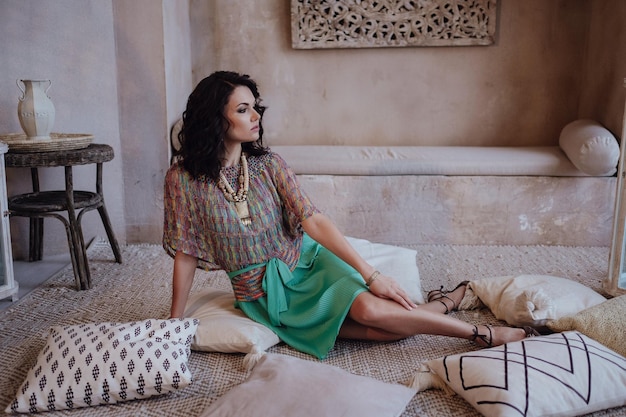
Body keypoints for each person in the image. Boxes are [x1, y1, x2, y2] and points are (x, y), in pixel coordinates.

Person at [163, 70, 537, 360]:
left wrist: (370, 274)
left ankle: (482, 335)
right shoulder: (184, 179)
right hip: (264, 295)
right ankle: (446, 302)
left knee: (373, 310)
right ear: (215, 118)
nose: (255, 115)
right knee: (391, 329)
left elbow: (312, 219)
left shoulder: (268, 165)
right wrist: (175, 320)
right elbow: (187, 250)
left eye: (255, 106)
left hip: (306, 263)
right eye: (242, 109)